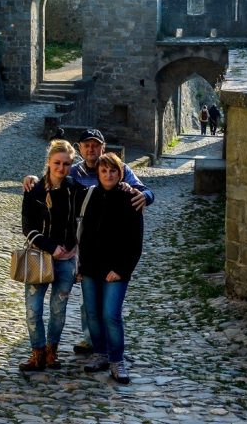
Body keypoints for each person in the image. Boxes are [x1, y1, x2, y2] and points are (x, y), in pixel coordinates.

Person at [22, 128, 154, 356]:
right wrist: (33, 179)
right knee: (62, 308)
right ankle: (56, 349)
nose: (91, 149)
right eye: (86, 145)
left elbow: (139, 192)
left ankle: (102, 351)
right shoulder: (65, 178)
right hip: (58, 254)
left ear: (103, 147)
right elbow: (34, 213)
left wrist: (136, 192)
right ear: (81, 149)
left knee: (93, 310)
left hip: (85, 255)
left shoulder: (99, 180)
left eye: (95, 145)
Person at [78, 152, 144, 384]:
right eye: (104, 171)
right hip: (90, 267)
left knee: (111, 315)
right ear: (98, 173)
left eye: (113, 171)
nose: (108, 175)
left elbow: (135, 242)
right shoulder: (90, 195)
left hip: (116, 269)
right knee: (93, 314)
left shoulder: (131, 198)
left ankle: (117, 359)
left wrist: (122, 269)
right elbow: (83, 233)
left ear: (120, 173)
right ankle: (100, 354)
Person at [19, 139, 82, 371]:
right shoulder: (34, 190)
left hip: (66, 260)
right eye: (57, 162)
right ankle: (37, 352)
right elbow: (28, 228)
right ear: (48, 162)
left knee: (59, 308)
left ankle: (51, 351)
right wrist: (50, 246)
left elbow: (82, 221)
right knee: (33, 309)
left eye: (66, 163)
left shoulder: (75, 189)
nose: (61, 168)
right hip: (39, 258)